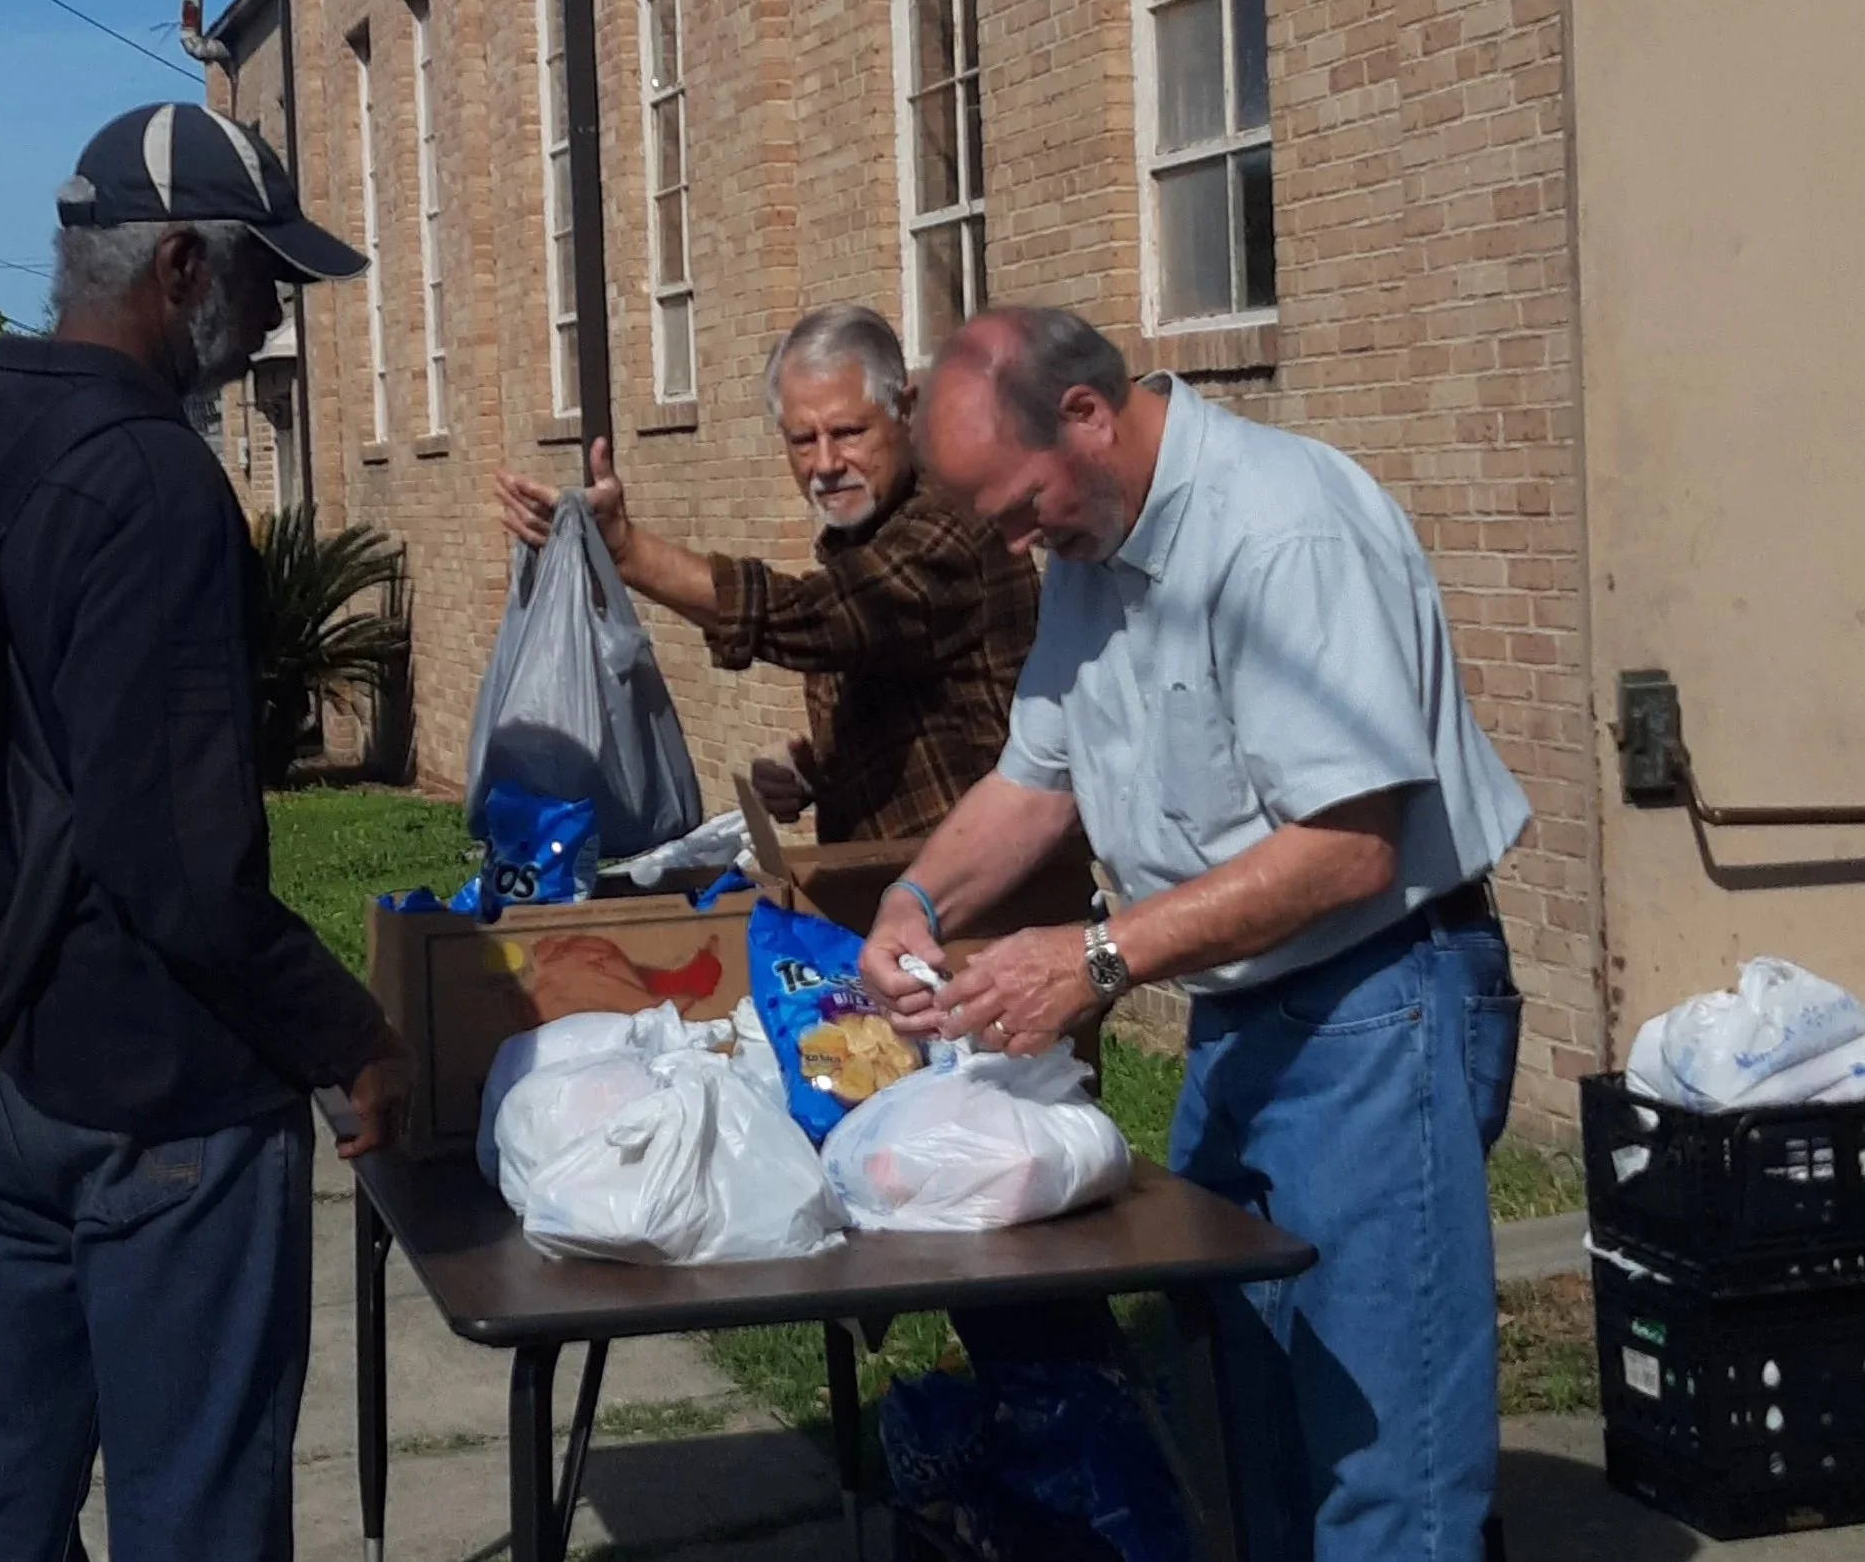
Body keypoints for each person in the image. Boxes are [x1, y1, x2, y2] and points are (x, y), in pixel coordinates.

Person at [860, 306, 1532, 1562]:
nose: (1013, 547)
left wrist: (1096, 958)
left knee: (1384, 1457)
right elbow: (1035, 776)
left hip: (1380, 997)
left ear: (1085, 413)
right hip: (1246, 1013)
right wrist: (915, 901)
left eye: (1015, 506)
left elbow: (1349, 845)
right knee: (1245, 1426)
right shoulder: (1087, 550)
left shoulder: (1279, 533)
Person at [0, 103, 414, 1562]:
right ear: (180, 265)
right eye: (265, 274)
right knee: (200, 1518)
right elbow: (178, 864)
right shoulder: (155, 481)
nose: (276, 309)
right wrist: (348, 1031)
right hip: (157, 1104)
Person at [495, 305, 1037, 842]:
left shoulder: (951, 526)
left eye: (848, 432)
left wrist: (626, 551)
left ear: (905, 410)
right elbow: (909, 693)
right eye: (803, 440)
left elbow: (819, 618)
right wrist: (818, 771)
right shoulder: (865, 535)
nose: (825, 464)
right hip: (905, 893)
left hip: (994, 904)